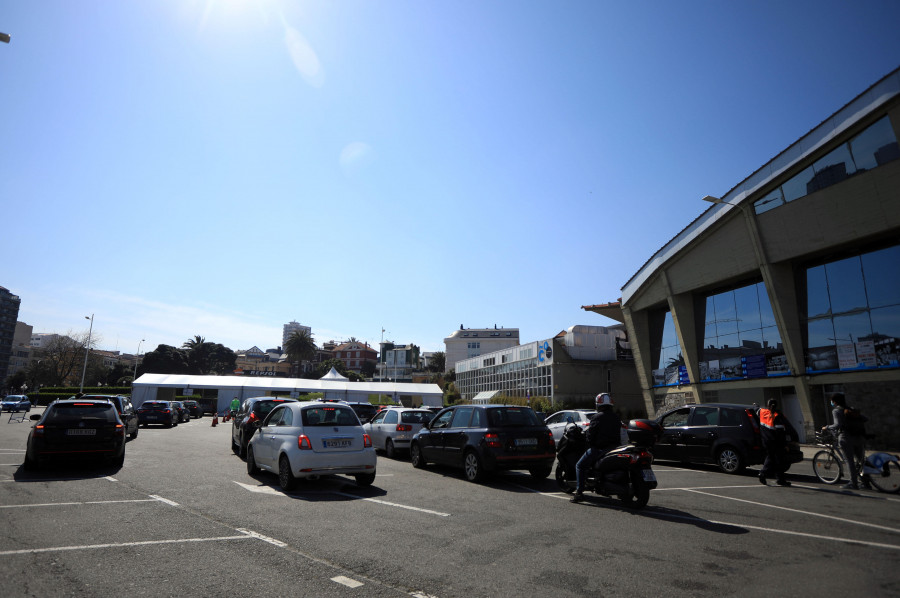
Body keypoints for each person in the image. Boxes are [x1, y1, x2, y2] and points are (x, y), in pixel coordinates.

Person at [571, 393, 623, 503]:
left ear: (598, 405)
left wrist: (588, 442)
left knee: (579, 465)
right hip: (614, 449)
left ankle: (579, 493)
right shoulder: (616, 417)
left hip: (599, 449)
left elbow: (590, 435)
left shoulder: (597, 417)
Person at [823, 393, 869, 490]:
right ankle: (866, 483)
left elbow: (837, 425)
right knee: (861, 461)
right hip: (859, 437)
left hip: (846, 438)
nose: (832, 402)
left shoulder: (836, 411)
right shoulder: (851, 409)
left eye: (832, 401)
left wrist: (826, 427)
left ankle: (853, 483)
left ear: (834, 402)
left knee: (849, 461)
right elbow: (865, 419)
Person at [757, 399, 797, 487]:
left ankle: (778, 479)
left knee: (773, 458)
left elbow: (757, 410)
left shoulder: (762, 412)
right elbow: (780, 433)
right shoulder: (777, 416)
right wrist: (785, 445)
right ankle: (765, 474)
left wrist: (756, 405)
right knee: (778, 460)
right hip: (775, 442)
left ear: (767, 406)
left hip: (766, 441)